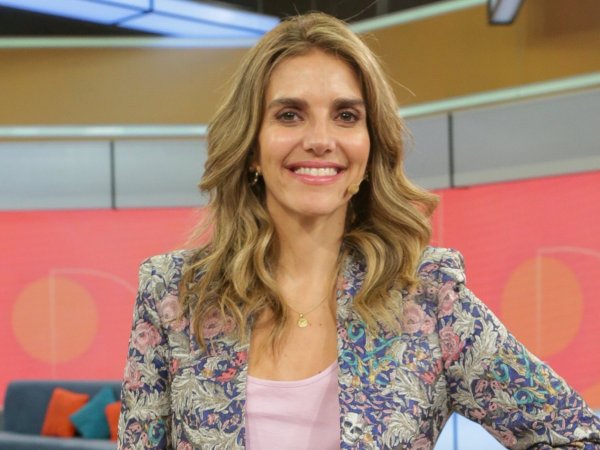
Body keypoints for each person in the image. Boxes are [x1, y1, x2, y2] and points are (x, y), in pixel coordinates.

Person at [118, 12, 600, 450]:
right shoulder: (173, 295)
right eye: (289, 114)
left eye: (346, 116)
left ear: (370, 149)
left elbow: (577, 436)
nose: (320, 140)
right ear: (251, 148)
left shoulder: (427, 297)